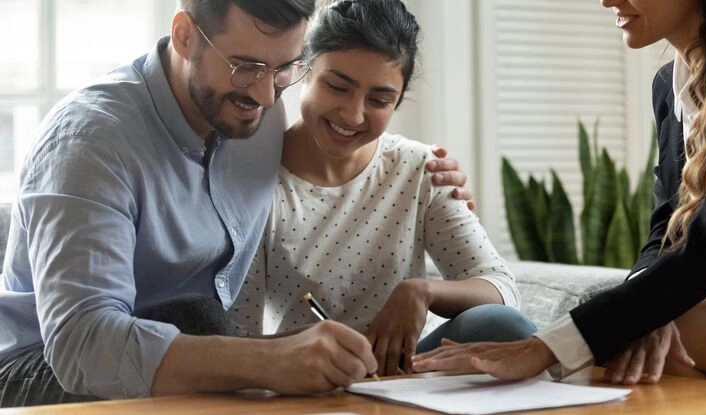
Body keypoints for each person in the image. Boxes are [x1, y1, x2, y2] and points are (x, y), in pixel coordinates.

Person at [0, 0, 470, 407]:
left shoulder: (255, 112)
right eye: (246, 66)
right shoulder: (90, 141)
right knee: (198, 319)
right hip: (35, 367)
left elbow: (338, 153)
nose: (266, 94)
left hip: (193, 346)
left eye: (285, 67)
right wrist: (266, 360)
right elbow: (83, 347)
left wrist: (427, 172)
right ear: (185, 36)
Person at [413, 0, 706, 385]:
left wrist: (544, 347)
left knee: (644, 325)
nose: (607, 0)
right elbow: (665, 230)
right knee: (637, 331)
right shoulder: (669, 86)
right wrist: (647, 310)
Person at [228, 0, 536, 377]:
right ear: (302, 71)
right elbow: (237, 336)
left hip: (402, 376)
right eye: (338, 87)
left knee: (502, 327)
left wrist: (421, 292)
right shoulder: (253, 182)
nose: (353, 115)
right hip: (299, 377)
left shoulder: (422, 170)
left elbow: (502, 289)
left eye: (379, 100)